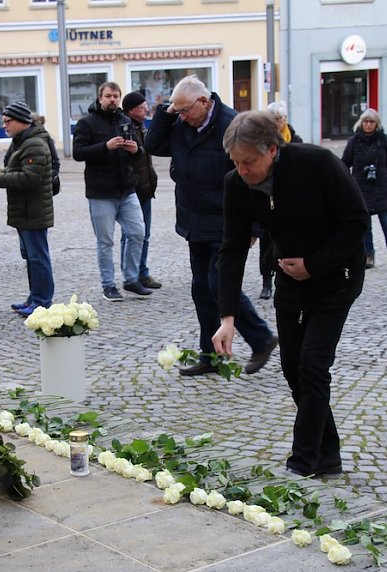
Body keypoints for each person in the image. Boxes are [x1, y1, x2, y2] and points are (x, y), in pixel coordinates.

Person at [212, 110, 369, 477]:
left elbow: (356, 220)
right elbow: (232, 248)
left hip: (336, 277)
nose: (243, 170)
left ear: (272, 149)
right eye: (236, 162)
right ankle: (327, 455)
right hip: (288, 282)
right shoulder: (235, 183)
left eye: (249, 162)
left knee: (313, 366)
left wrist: (315, 264)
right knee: (292, 369)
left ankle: (301, 463)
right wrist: (227, 317)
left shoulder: (317, 163)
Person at [145, 75, 277, 376]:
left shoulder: (232, 125)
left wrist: (255, 227)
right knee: (201, 290)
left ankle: (262, 338)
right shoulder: (180, 124)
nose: (182, 116)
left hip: (226, 220)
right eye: (177, 112)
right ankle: (211, 356)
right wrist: (167, 114)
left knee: (219, 286)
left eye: (185, 110)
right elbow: (152, 144)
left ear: (204, 102)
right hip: (193, 218)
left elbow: (252, 176)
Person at [72, 81, 151, 301]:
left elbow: (138, 151)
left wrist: (136, 150)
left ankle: (131, 279)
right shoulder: (87, 123)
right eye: (108, 96)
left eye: (116, 96)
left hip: (127, 188)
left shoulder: (125, 120)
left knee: (137, 233)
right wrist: (105, 147)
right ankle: (108, 284)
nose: (113, 99)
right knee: (105, 242)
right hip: (100, 192)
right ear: (100, 98)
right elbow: (77, 152)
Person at [0, 101, 55, 317]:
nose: (4, 126)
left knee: (38, 258)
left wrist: (0, 178)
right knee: (31, 257)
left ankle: (42, 302)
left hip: (33, 210)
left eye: (8, 121)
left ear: (22, 121)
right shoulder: (21, 142)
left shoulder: (34, 144)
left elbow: (31, 177)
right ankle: (34, 298)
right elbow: (19, 169)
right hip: (23, 210)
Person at [341, 108, 387, 270]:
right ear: (361, 123)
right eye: (366, 122)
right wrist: (349, 183)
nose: (368, 125)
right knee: (366, 226)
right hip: (361, 187)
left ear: (377, 125)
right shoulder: (354, 141)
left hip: (380, 187)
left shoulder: (383, 140)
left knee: (386, 223)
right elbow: (344, 163)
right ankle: (369, 255)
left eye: (371, 122)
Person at [258, 101, 303, 299]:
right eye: (273, 120)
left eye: (279, 119)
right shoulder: (260, 141)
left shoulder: (295, 139)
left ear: (285, 120)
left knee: (289, 241)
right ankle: (266, 281)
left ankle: (288, 277)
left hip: (290, 198)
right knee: (266, 243)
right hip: (267, 197)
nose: (276, 123)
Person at [121, 91, 162, 290]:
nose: (146, 109)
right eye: (141, 107)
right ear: (131, 110)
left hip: (145, 187)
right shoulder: (124, 126)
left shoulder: (141, 126)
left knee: (143, 233)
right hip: (132, 188)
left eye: (146, 106)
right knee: (132, 234)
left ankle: (141, 272)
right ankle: (131, 274)